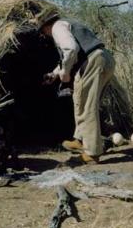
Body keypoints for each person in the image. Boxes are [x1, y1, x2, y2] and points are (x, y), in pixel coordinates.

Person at [40, 11, 115, 164]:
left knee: (86, 105)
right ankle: (80, 139)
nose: (44, 35)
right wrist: (55, 74)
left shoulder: (57, 27)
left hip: (92, 62)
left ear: (46, 26)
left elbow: (71, 49)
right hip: (105, 59)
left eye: (42, 31)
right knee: (82, 100)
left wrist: (66, 74)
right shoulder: (69, 23)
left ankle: (92, 152)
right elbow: (71, 54)